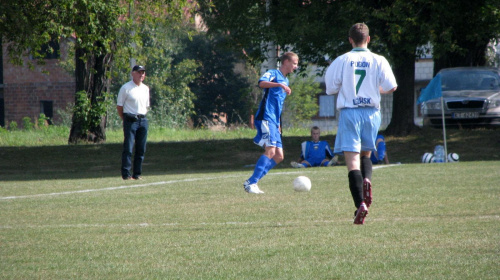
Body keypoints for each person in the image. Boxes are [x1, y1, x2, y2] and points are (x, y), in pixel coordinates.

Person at [324, 23, 397, 224]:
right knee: (366, 154)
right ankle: (368, 180)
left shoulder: (342, 59)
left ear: (350, 40)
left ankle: (360, 205)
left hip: (350, 113)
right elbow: (391, 86)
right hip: (372, 113)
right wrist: (375, 90)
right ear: (368, 39)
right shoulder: (378, 59)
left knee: (352, 162)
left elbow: (330, 88)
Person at [243, 52, 299, 194]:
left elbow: (278, 105)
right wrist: (278, 84)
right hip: (266, 117)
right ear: (285, 62)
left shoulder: (286, 81)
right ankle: (252, 182)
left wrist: (279, 123)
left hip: (274, 121)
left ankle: (252, 181)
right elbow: (261, 83)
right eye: (294, 63)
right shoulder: (273, 74)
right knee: (271, 150)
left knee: (279, 156)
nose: (296, 66)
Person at [117, 65, 150, 180]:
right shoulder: (126, 88)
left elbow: (146, 106)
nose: (141, 75)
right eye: (139, 72)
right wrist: (125, 118)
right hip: (130, 120)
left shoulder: (145, 89)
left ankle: (137, 174)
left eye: (143, 73)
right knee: (129, 148)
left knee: (141, 148)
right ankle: (126, 174)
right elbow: (119, 106)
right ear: (133, 73)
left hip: (143, 120)